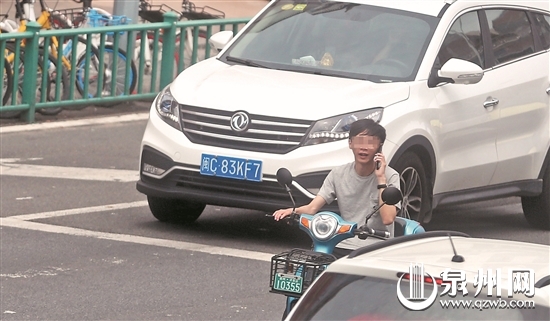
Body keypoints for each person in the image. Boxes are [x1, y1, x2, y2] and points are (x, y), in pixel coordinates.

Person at [273, 118, 401, 257]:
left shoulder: (390, 175)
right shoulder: (338, 173)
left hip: (375, 247)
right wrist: (292, 211)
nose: (364, 147)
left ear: (379, 146)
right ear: (350, 143)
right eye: (359, 141)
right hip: (340, 242)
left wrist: (381, 178)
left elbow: (388, 218)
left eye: (370, 142)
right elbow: (312, 208)